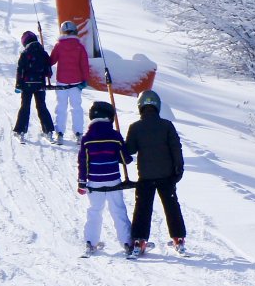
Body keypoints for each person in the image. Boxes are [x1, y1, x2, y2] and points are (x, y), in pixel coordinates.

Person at [125, 89, 187, 255]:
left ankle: (139, 241)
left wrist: (121, 145)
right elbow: (176, 148)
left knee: (143, 208)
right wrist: (178, 169)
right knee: (171, 206)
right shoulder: (167, 125)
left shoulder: (135, 127)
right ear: (157, 106)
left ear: (140, 107)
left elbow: (129, 151)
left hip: (145, 176)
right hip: (166, 176)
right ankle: (178, 239)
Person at [78, 100, 134, 257]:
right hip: (113, 180)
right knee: (118, 209)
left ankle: (90, 242)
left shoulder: (86, 138)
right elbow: (126, 159)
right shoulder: (115, 136)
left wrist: (82, 182)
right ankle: (127, 243)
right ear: (110, 117)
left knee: (95, 210)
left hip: (94, 182)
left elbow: (83, 162)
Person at [47, 20, 92, 144]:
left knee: (61, 107)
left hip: (62, 82)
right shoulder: (79, 47)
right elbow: (84, 65)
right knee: (76, 107)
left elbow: (51, 61)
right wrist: (85, 80)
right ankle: (78, 133)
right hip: (76, 83)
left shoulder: (59, 46)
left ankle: (60, 133)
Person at [13, 30, 55, 140]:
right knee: (41, 106)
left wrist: (18, 85)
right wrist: (47, 75)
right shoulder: (43, 53)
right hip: (40, 84)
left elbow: (20, 70)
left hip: (27, 85)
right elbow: (49, 71)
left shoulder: (25, 53)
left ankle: (20, 130)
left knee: (25, 107)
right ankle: (48, 130)